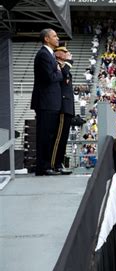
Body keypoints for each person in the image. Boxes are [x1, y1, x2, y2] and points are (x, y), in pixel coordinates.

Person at [31, 28, 63, 176]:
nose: (57, 38)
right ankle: (43, 167)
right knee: (45, 135)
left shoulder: (49, 54)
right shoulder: (43, 55)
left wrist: (57, 70)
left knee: (49, 135)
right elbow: (50, 77)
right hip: (46, 102)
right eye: (54, 36)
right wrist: (59, 71)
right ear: (46, 39)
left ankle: (47, 166)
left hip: (51, 102)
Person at [50, 43, 74, 174]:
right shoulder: (57, 65)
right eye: (64, 52)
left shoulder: (64, 67)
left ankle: (59, 163)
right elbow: (63, 74)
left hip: (67, 106)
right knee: (58, 138)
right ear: (57, 53)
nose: (67, 54)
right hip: (62, 106)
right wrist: (69, 62)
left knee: (63, 138)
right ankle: (54, 164)